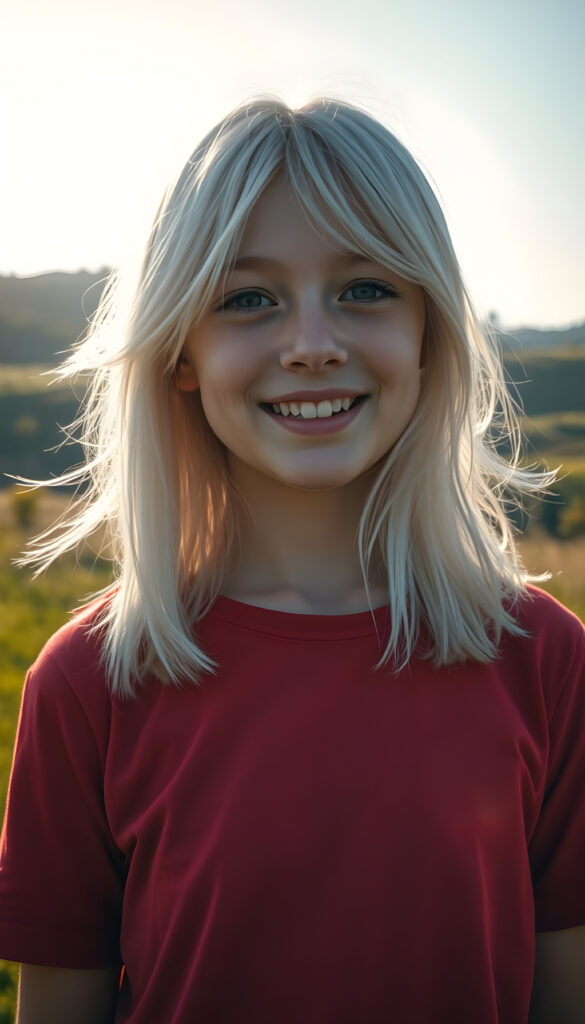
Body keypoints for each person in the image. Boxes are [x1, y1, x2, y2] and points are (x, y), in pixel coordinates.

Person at [0, 96, 584, 1024]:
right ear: (179, 353)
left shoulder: (546, 661)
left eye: (365, 288)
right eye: (246, 299)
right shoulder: (89, 683)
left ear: (429, 330)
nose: (312, 345)